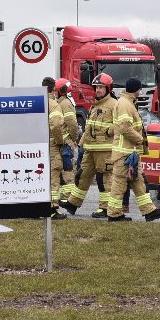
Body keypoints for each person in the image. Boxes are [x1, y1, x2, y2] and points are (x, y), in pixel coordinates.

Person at [107, 78, 160, 222]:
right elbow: (125, 128)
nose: (141, 91)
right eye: (140, 89)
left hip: (129, 152)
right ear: (136, 89)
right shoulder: (125, 104)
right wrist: (141, 140)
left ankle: (149, 211)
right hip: (124, 153)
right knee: (119, 184)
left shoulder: (127, 103)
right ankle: (114, 214)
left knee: (138, 180)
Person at [61, 73, 117, 218]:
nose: (98, 90)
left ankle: (104, 209)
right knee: (82, 175)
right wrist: (80, 144)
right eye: (96, 87)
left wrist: (108, 132)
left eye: (101, 87)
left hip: (105, 149)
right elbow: (89, 127)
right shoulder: (94, 105)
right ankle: (73, 203)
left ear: (108, 88)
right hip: (89, 149)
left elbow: (120, 125)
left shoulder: (113, 104)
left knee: (103, 179)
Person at [42, 78, 67, 219]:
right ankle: (52, 208)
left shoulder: (36, 102)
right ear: (54, 90)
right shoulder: (54, 105)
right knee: (54, 175)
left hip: (38, 145)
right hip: (51, 145)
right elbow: (57, 125)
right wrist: (60, 141)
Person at [54, 78, 79, 203]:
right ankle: (65, 195)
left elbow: (72, 125)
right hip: (63, 142)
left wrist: (72, 139)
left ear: (60, 91)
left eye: (55, 91)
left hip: (65, 143)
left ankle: (66, 196)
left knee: (67, 169)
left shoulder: (64, 104)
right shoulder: (63, 102)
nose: (54, 93)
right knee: (64, 168)